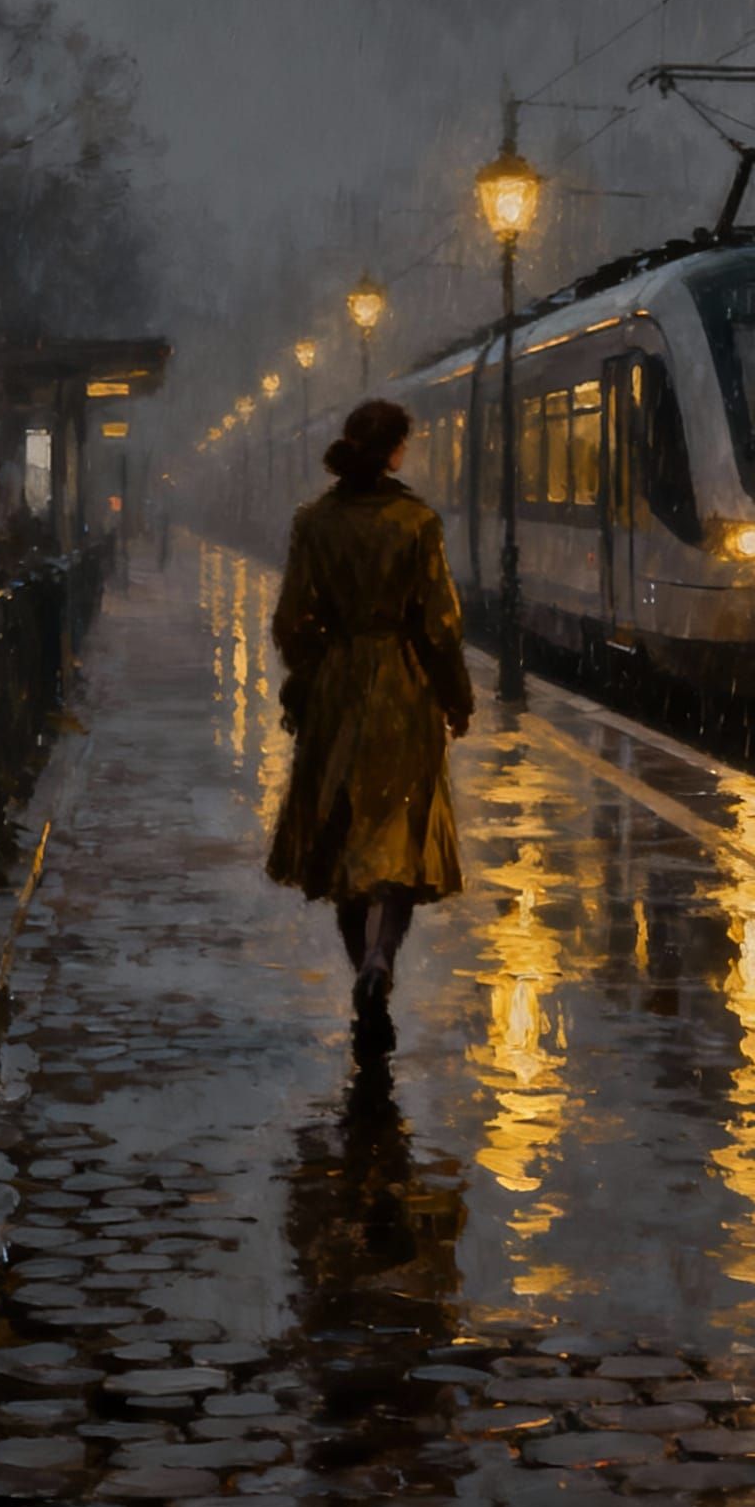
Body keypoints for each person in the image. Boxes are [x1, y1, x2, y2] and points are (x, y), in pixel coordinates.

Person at [268, 396, 473, 1058]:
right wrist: (456, 696)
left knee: (347, 841)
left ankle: (365, 966)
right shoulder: (418, 523)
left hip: (338, 691)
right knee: (401, 842)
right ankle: (383, 959)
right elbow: (440, 626)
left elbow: (291, 622)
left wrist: (317, 670)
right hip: (405, 691)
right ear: (394, 451)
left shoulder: (314, 524)